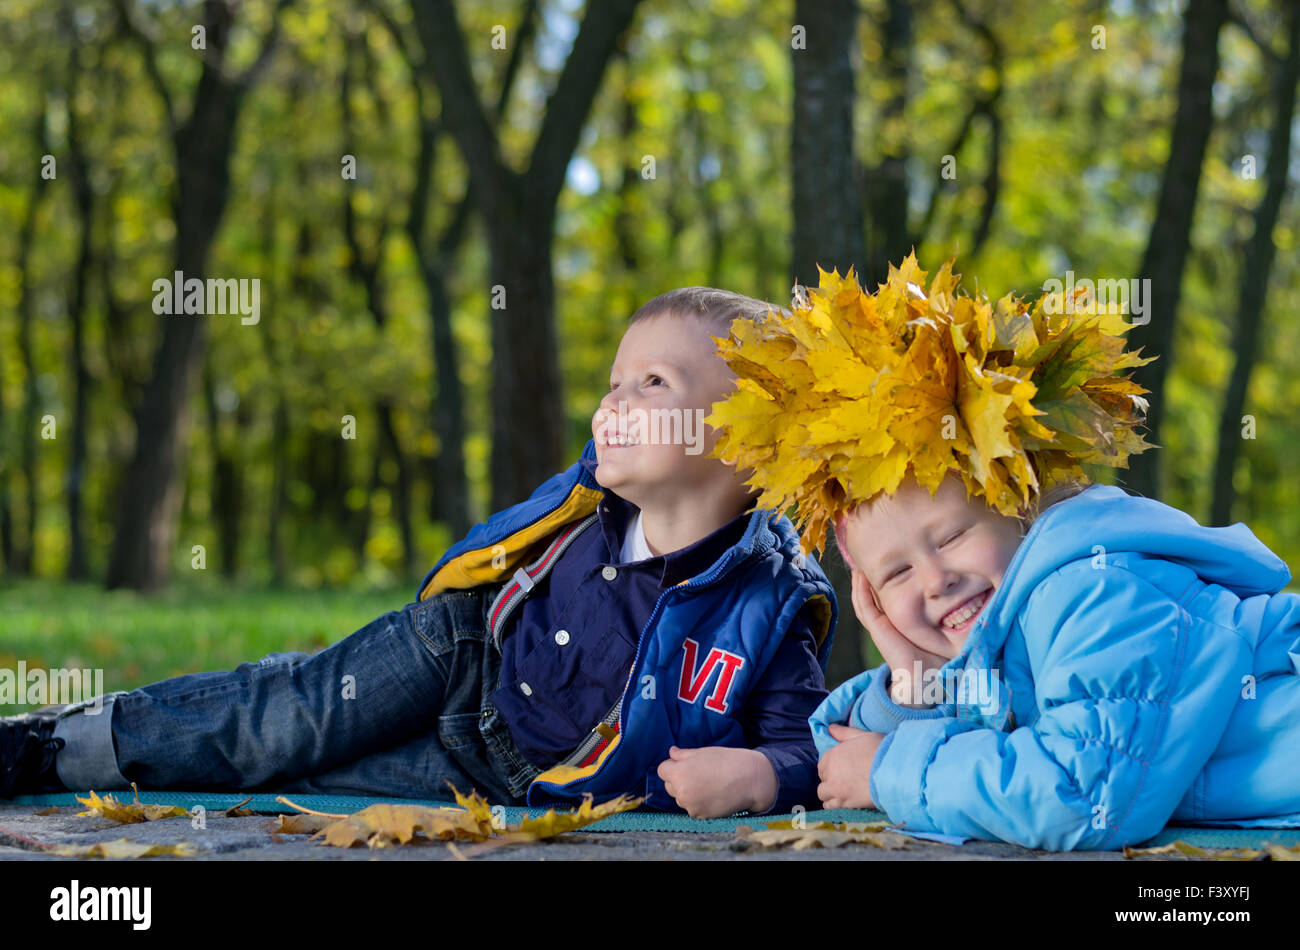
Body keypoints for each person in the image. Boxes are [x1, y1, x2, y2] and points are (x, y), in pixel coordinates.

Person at [0, 287, 837, 819]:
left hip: (505, 775)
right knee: (286, 717)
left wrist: (763, 776)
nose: (614, 401)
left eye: (655, 384)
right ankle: (52, 746)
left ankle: (120, 757)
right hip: (461, 655)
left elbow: (809, 747)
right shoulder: (596, 499)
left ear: (744, 440)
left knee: (299, 774)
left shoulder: (769, 606)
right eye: (615, 380)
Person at [705, 254, 1300, 850]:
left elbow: (1081, 797)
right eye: (898, 572)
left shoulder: (1096, 591)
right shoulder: (1002, 650)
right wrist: (913, 682)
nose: (935, 580)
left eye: (952, 537)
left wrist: (893, 769)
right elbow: (843, 757)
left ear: (1019, 502)